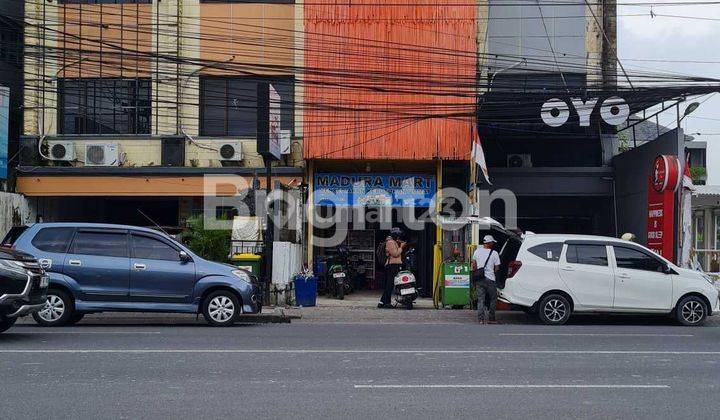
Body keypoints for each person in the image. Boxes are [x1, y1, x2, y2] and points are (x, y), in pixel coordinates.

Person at [472, 235, 501, 323]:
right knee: (493, 298)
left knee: (481, 299)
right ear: (489, 243)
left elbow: (474, 266)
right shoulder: (494, 253)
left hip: (479, 279)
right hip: (490, 279)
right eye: (492, 242)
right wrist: (491, 272)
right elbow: (497, 268)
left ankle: (481, 319)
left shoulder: (477, 252)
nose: (493, 244)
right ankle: (491, 318)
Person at [378, 228, 405, 308]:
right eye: (398, 235)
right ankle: (384, 302)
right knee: (389, 285)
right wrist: (401, 247)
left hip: (394, 265)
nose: (399, 237)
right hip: (392, 266)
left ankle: (383, 302)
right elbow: (395, 254)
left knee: (390, 285)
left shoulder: (393, 242)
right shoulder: (390, 242)